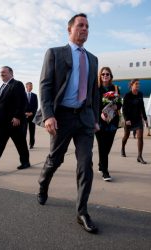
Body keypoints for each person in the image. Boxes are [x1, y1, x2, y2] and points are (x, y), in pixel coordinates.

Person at [34, 13, 99, 233]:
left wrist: (96, 117)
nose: (85, 29)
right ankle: (43, 184)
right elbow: (45, 85)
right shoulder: (55, 53)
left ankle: (82, 211)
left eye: (87, 26)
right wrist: (48, 115)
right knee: (56, 158)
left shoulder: (92, 59)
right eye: (81, 25)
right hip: (61, 116)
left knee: (85, 164)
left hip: (84, 118)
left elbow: (94, 91)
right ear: (69, 29)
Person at [95, 67, 122, 181]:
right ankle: (105, 172)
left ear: (111, 76)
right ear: (100, 76)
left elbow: (120, 103)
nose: (105, 76)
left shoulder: (115, 88)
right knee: (102, 146)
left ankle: (101, 164)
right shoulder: (96, 89)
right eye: (103, 74)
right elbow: (93, 104)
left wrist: (117, 106)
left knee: (108, 146)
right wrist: (99, 114)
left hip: (112, 122)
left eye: (107, 74)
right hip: (100, 122)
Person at [121, 79, 148, 164]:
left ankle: (139, 156)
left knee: (140, 137)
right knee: (126, 136)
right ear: (132, 85)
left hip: (138, 119)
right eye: (136, 84)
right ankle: (122, 148)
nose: (138, 85)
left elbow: (142, 107)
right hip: (129, 119)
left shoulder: (140, 94)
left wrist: (145, 118)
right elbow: (124, 109)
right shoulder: (127, 95)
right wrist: (126, 119)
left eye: (138, 84)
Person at [25, 82, 38, 149]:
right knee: (23, 131)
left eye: (31, 86)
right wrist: (25, 113)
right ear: (26, 87)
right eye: (29, 86)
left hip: (32, 116)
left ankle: (31, 144)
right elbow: (20, 105)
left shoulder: (34, 95)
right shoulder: (22, 95)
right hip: (24, 116)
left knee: (32, 131)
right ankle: (23, 144)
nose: (31, 87)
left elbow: (36, 106)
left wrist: (32, 113)